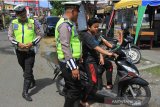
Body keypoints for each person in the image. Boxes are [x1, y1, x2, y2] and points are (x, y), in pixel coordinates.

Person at [8, 4, 43, 101]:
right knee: (24, 68)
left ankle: (25, 92)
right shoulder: (13, 23)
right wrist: (18, 43)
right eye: (20, 14)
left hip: (30, 52)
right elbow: (10, 36)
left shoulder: (33, 22)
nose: (22, 15)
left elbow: (40, 34)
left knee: (27, 71)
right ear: (17, 14)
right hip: (19, 51)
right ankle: (32, 80)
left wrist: (32, 43)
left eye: (23, 12)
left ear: (25, 12)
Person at [80, 18, 115, 105]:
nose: (97, 28)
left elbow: (98, 45)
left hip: (95, 58)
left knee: (109, 64)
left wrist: (101, 56)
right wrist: (107, 53)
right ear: (89, 27)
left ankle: (107, 85)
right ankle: (83, 100)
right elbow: (96, 47)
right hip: (89, 61)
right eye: (95, 27)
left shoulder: (94, 34)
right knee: (93, 81)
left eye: (98, 27)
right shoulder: (86, 36)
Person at [55, 1, 82, 107]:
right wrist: (74, 67)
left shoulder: (69, 23)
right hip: (68, 63)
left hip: (71, 61)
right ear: (73, 11)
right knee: (73, 90)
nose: (78, 14)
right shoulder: (65, 25)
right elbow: (65, 47)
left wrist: (79, 57)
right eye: (78, 12)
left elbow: (74, 42)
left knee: (70, 87)